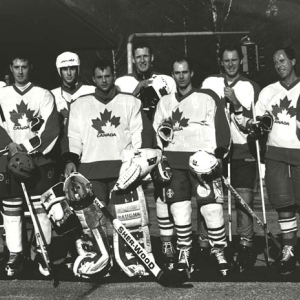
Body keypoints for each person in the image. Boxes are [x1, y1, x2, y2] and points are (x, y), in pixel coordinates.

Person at [63, 59, 158, 277]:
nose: (104, 81)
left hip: (122, 171)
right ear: (93, 79)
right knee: (94, 221)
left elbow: (140, 134)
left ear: (113, 76)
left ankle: (128, 258)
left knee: (127, 218)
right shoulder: (80, 104)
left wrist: (138, 161)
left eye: (107, 76)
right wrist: (70, 159)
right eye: (99, 77)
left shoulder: (129, 102)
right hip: (90, 170)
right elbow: (73, 136)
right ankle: (101, 261)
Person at [152, 57, 231, 276]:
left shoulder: (208, 97)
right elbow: (156, 136)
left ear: (191, 73)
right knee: (180, 209)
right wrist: (161, 158)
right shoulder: (164, 102)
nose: (181, 76)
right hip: (175, 163)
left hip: (204, 162)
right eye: (177, 73)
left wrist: (220, 152)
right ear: (173, 75)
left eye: (185, 72)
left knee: (212, 208)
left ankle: (219, 251)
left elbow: (222, 126)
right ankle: (184, 251)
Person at [234, 46, 300, 275]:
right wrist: (257, 126)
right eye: (276, 62)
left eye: (283, 60)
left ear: (293, 60)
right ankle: (289, 249)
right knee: (284, 204)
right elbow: (255, 123)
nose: (280, 65)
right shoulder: (268, 91)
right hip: (275, 154)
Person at [201, 45, 261, 272]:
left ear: (241, 60)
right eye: (226, 60)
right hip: (215, 151)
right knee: (210, 199)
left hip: (242, 150)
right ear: (221, 62)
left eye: (234, 60)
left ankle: (245, 245)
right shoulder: (209, 83)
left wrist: (235, 102)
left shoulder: (250, 87)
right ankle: (207, 243)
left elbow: (254, 123)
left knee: (243, 199)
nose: (230, 64)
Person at [0, 53, 60, 277]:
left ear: (30, 67)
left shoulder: (43, 95)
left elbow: (52, 130)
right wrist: (8, 145)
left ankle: (43, 252)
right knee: (11, 209)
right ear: (11, 68)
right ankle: (15, 255)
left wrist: (24, 148)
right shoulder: (1, 94)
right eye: (16, 67)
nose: (20, 71)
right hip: (8, 160)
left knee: (41, 209)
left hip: (38, 162)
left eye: (24, 66)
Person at [51, 51, 95, 177]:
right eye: (65, 69)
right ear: (59, 71)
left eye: (72, 69)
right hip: (61, 153)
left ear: (78, 69)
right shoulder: (51, 95)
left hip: (87, 150)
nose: (69, 73)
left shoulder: (90, 91)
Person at [115, 40, 176, 121]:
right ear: (133, 59)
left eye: (145, 56)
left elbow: (175, 110)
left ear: (152, 57)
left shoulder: (167, 80)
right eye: (138, 57)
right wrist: (135, 92)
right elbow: (119, 114)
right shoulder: (121, 82)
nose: (142, 60)